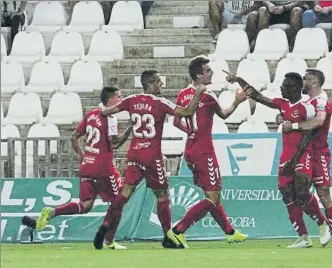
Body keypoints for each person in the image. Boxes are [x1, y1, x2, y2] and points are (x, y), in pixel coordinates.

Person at [98, 70, 206, 249]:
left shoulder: (131, 100)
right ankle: (167, 237)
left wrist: (103, 111)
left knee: (125, 193)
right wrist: (198, 93)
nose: (161, 85)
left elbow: (106, 112)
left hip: (134, 154)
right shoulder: (160, 102)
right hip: (152, 156)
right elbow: (187, 112)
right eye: (158, 82)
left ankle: (106, 226)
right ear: (149, 83)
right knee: (162, 196)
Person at [227, 71, 331, 248]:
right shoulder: (282, 105)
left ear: (294, 88)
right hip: (286, 155)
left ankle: (322, 224)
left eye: (284, 86)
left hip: (302, 154)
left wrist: (295, 158)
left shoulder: (307, 107)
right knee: (287, 194)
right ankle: (303, 237)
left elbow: (308, 136)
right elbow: (257, 96)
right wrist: (239, 79)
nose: (281, 88)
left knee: (302, 190)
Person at [23, 86, 131, 250]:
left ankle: (53, 212)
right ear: (109, 100)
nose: (121, 99)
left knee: (86, 205)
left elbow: (74, 137)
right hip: (104, 168)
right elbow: (114, 143)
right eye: (118, 96)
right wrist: (130, 130)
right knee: (119, 202)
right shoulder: (110, 119)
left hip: (87, 166)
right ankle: (109, 240)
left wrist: (82, 155)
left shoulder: (91, 114)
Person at [166, 56, 249, 248]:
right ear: (199, 75)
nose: (211, 73)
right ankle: (178, 230)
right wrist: (237, 101)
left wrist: (192, 133)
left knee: (212, 195)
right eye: (208, 70)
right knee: (212, 197)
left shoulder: (183, 94)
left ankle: (229, 232)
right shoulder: (208, 95)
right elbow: (224, 114)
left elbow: (176, 121)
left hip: (190, 150)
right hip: (205, 151)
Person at [281, 68, 332, 248]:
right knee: (299, 192)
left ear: (314, 82)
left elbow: (319, 120)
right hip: (304, 151)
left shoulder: (321, 101)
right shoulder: (308, 101)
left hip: (320, 153)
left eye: (306, 79)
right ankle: (317, 228)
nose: (303, 82)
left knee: (324, 194)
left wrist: (292, 125)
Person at [245, 1, 309, 47]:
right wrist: (269, 4)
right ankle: (260, 44)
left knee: (297, 10)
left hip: (290, 10)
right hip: (272, 10)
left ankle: (293, 45)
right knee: (262, 10)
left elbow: (300, 2)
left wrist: (284, 7)